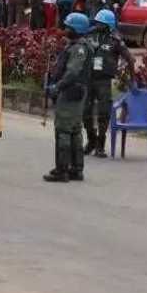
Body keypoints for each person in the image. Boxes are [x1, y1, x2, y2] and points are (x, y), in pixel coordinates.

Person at [44, 12, 94, 183]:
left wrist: (57, 87)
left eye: (69, 27)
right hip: (75, 92)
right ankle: (76, 169)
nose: (66, 30)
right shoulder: (77, 46)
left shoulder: (79, 49)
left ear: (76, 29)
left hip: (71, 92)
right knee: (74, 130)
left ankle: (62, 170)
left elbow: (72, 72)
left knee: (64, 130)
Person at [83, 10, 135, 158]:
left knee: (103, 113)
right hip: (88, 79)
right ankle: (91, 140)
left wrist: (132, 79)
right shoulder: (89, 34)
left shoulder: (115, 40)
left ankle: (100, 145)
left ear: (108, 25)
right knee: (85, 112)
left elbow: (130, 59)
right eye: (97, 21)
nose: (97, 24)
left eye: (100, 23)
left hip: (104, 81)